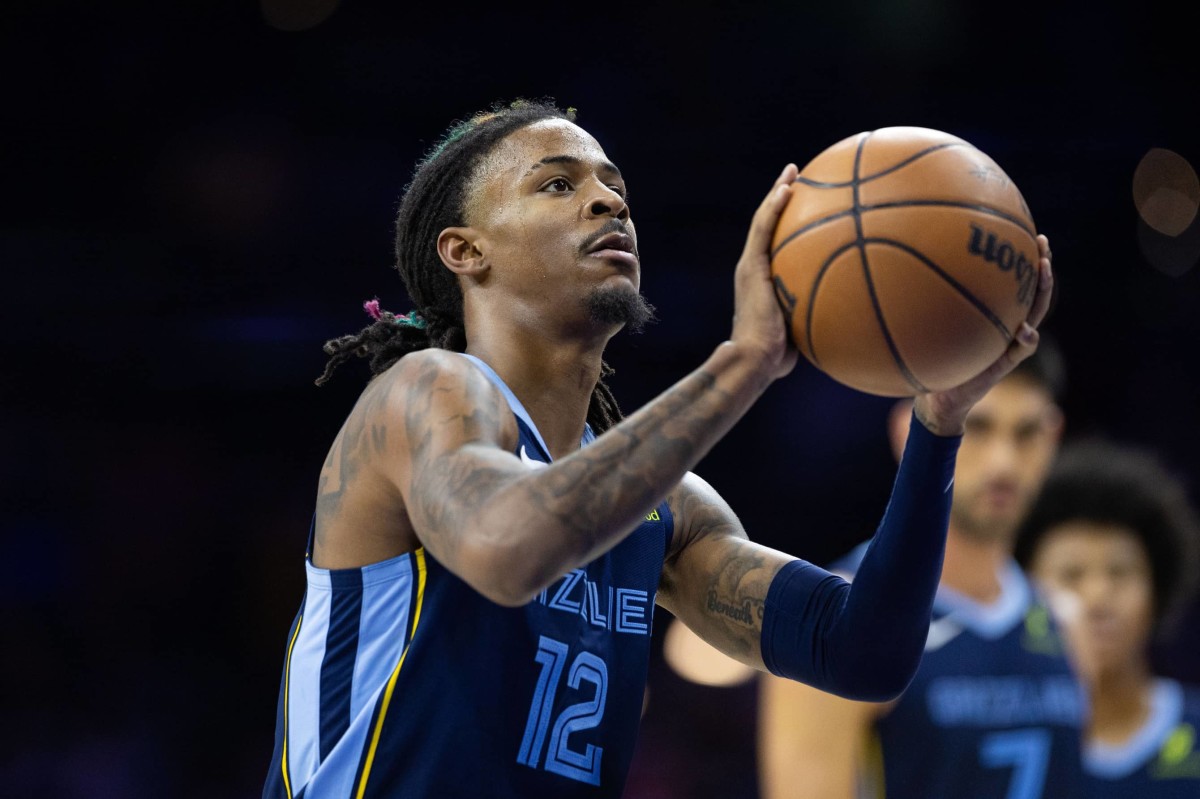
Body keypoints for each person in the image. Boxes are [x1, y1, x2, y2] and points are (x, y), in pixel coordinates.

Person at [261, 98, 1054, 799]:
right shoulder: (423, 394)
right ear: (466, 251)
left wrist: (939, 426)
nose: (608, 199)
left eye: (616, 189)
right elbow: (507, 547)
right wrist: (744, 363)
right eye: (557, 184)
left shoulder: (662, 509)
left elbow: (861, 653)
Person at [758, 343, 1085, 799]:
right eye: (976, 427)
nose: (1003, 463)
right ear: (906, 432)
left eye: (1026, 433)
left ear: (1053, 437)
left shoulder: (1068, 621)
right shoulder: (833, 620)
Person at [1015, 439, 1200, 797]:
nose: (1098, 598)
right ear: (1023, 591)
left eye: (1120, 573)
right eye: (1071, 575)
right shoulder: (992, 730)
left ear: (1157, 588)